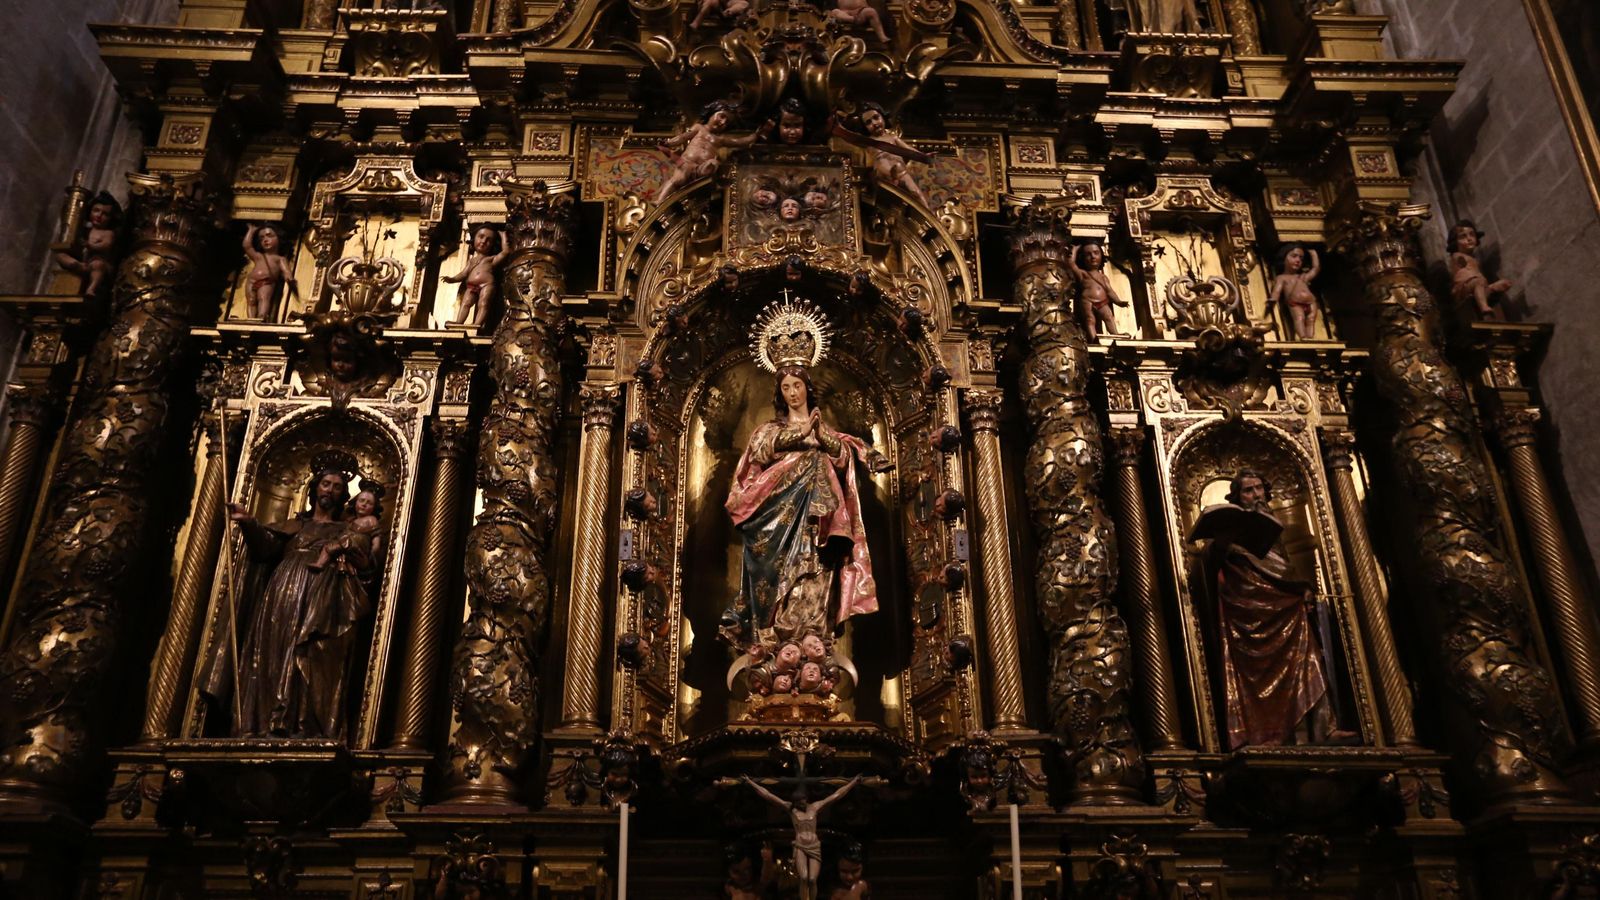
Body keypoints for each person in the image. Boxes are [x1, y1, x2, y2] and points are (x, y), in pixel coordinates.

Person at [205, 463, 376, 738]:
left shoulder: (346, 529)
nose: (329, 490)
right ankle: (266, 723)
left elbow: (365, 566)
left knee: (313, 656)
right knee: (275, 653)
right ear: (314, 489)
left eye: (337, 487)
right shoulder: (296, 525)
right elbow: (264, 548)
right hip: (283, 594)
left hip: (325, 599)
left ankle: (307, 727)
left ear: (344, 495)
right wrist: (248, 522)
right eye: (325, 484)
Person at [719, 366, 884, 650]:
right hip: (778, 517)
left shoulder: (825, 432)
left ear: (807, 388)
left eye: (797, 385)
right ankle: (776, 639)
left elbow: (842, 458)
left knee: (816, 570)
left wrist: (819, 433)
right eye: (786, 387)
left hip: (820, 522)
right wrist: (803, 432)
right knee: (780, 573)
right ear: (780, 394)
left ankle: (813, 639)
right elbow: (760, 451)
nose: (793, 393)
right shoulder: (770, 430)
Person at [1188, 470, 1356, 749]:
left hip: (1283, 607)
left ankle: (1321, 728)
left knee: (1305, 658)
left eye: (1258, 488)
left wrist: (1302, 588)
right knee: (1255, 679)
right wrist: (1222, 546)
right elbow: (1208, 569)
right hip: (1247, 615)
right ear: (1237, 497)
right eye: (1248, 490)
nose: (1256, 495)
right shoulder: (1227, 535)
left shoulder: (1270, 527)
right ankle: (1263, 734)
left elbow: (1283, 567)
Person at [743, 775, 863, 900]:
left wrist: (853, 782)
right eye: (799, 801)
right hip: (800, 845)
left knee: (812, 879)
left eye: (803, 799)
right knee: (804, 877)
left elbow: (836, 795)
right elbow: (768, 795)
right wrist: (750, 782)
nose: (802, 803)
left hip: (814, 845)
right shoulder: (791, 809)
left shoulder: (815, 807)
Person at [655, 101, 769, 203]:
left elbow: (740, 142)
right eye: (722, 116)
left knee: (713, 163)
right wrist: (668, 143)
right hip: (686, 163)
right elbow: (682, 137)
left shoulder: (720, 139)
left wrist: (755, 135)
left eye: (727, 122)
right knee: (677, 180)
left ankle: (703, 178)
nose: (723, 122)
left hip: (701, 167)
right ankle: (660, 200)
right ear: (711, 113)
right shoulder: (699, 128)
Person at [832, 104, 932, 207]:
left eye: (876, 118)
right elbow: (850, 138)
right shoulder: (869, 142)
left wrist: (924, 156)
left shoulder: (893, 138)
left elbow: (908, 150)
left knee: (916, 192)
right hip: (883, 175)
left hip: (900, 171)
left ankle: (928, 212)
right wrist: (837, 126)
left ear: (883, 117)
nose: (874, 123)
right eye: (868, 122)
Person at [442, 225, 510, 328]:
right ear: (474, 239)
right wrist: (452, 279)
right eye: (481, 237)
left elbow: (505, 252)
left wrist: (503, 236)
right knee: (465, 303)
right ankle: (459, 322)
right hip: (471, 286)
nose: (484, 241)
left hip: (486, 285)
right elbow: (463, 274)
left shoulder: (491, 259)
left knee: (483, 303)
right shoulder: (471, 261)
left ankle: (477, 324)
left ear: (492, 244)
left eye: (489, 240)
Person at [56, 192, 120, 299]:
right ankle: (77, 265)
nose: (99, 215)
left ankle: (91, 288)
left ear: (111, 218)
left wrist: (91, 246)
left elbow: (106, 245)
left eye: (105, 214)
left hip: (99, 262)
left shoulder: (108, 233)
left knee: (98, 265)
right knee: (60, 256)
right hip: (85, 262)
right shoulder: (86, 230)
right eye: (96, 210)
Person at [1448, 220, 1512, 321]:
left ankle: (1491, 291)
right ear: (1455, 242)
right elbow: (1458, 264)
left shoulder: (1474, 259)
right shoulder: (1457, 255)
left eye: (1472, 235)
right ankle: (1484, 308)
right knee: (1478, 281)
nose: (1469, 239)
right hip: (1463, 287)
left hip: (1477, 285)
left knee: (1500, 284)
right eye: (1463, 236)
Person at [311, 488, 384, 573]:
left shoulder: (371, 519)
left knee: (331, 548)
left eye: (369, 503)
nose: (364, 504)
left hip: (356, 546)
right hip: (345, 546)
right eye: (361, 501)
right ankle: (322, 564)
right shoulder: (349, 521)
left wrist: (372, 555)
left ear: (374, 507)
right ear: (355, 502)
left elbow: (376, 542)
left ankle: (322, 563)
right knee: (329, 547)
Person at [1065, 240, 1128, 339]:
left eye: (1096, 253)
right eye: (1088, 254)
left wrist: (1118, 302)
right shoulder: (1083, 274)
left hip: (1102, 301)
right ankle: (1093, 337)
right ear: (1083, 258)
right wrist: (1075, 250)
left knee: (1109, 317)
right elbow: (1071, 264)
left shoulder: (1103, 277)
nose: (1093, 257)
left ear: (1101, 256)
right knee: (1090, 319)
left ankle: (1115, 334)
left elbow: (1110, 291)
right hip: (1087, 300)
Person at [242, 223, 300, 321]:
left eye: (269, 236)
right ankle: (251, 319)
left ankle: (261, 317)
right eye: (261, 238)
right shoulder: (259, 256)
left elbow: (286, 271)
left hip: (266, 281)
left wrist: (289, 279)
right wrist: (251, 231)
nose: (265, 240)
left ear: (279, 238)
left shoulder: (279, 259)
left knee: (263, 298)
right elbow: (247, 246)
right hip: (251, 281)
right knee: (251, 301)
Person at [1267, 243, 1320, 340]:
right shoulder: (1282, 278)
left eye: (1301, 258)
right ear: (1284, 258)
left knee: (1311, 319)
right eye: (1294, 256)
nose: (1298, 260)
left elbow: (1315, 269)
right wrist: (1273, 299)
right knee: (1299, 318)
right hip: (1295, 303)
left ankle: (1310, 338)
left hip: (1311, 302)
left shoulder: (1303, 276)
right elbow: (1277, 290)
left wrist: (1314, 254)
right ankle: (1303, 337)